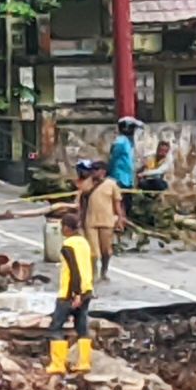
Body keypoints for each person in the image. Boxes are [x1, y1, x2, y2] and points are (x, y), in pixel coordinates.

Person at [47, 214, 95, 376]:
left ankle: (58, 364)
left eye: (62, 227)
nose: (61, 230)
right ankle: (84, 362)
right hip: (87, 290)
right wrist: (84, 292)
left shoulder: (68, 245)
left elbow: (75, 270)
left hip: (69, 294)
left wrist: (76, 294)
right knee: (82, 328)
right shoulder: (84, 243)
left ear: (67, 228)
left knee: (55, 328)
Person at [85, 161, 126, 280]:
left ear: (103, 171)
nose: (93, 171)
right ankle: (93, 274)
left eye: (96, 169)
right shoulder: (88, 183)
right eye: (92, 169)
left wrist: (120, 219)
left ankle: (104, 270)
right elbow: (81, 200)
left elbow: (117, 203)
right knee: (93, 252)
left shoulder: (112, 184)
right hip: (91, 221)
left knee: (106, 251)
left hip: (107, 221)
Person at [109, 117, 143, 217]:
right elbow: (113, 159)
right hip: (119, 177)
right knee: (121, 203)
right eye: (132, 128)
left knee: (127, 203)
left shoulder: (128, 142)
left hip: (127, 178)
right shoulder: (120, 142)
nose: (134, 131)